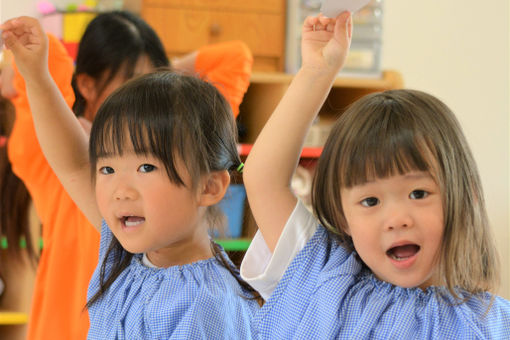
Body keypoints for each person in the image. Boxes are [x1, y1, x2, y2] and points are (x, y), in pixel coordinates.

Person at [240, 12, 510, 338]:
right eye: (370, 201)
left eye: (418, 194)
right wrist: (317, 71)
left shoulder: (490, 322)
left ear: (465, 198)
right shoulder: (324, 277)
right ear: (342, 216)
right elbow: (264, 179)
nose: (397, 219)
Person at [2, 16, 261, 338]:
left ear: (209, 187)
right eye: (107, 169)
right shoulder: (126, 249)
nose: (120, 191)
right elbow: (74, 166)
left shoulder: (206, 306)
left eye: (146, 168)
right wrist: (37, 77)